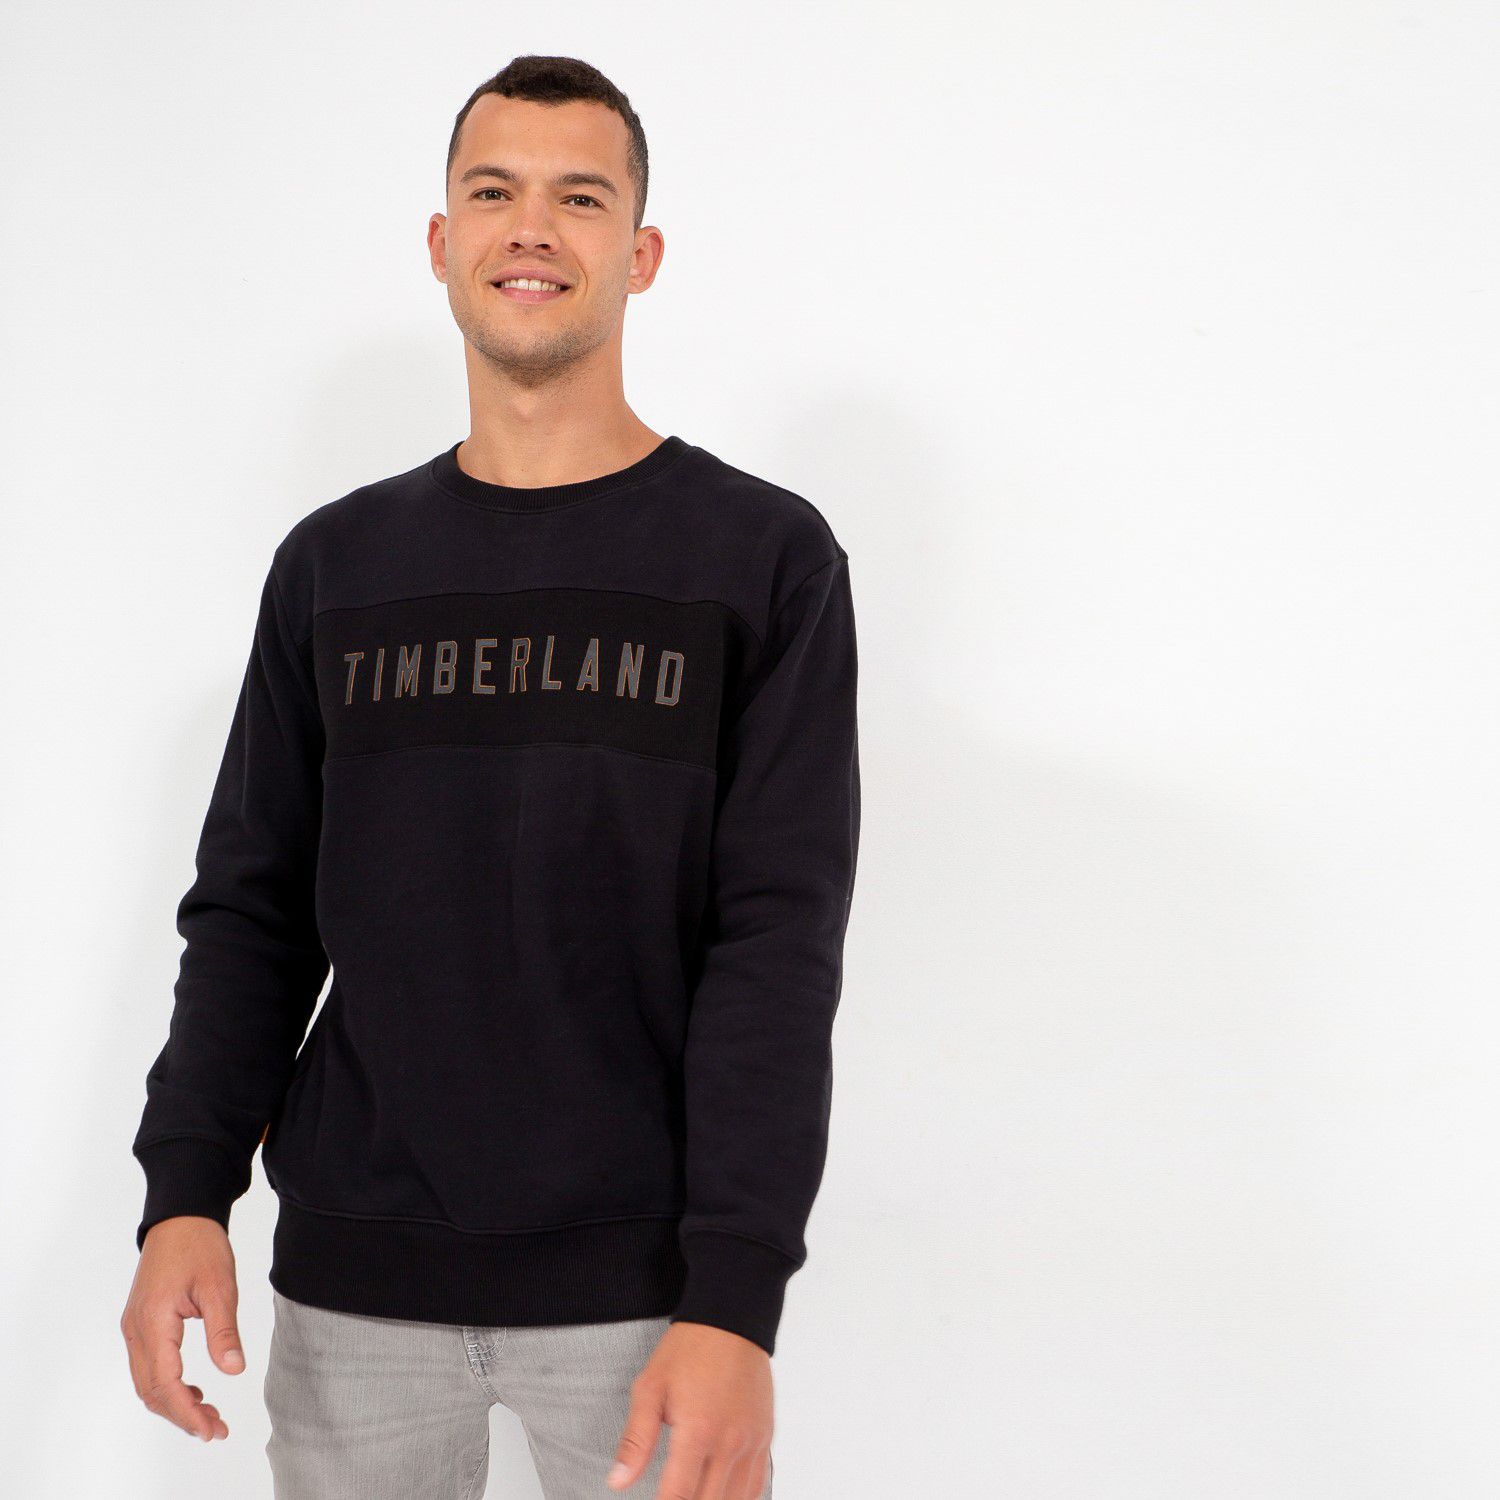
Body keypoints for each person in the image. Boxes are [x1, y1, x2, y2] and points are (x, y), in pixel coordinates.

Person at [120, 53, 860, 1500]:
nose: (533, 228)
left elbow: (777, 944)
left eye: (580, 198)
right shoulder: (334, 567)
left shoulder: (762, 560)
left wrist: (734, 1300)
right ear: (442, 240)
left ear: (641, 254)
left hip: (647, 1300)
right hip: (353, 1292)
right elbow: (253, 910)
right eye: (494, 192)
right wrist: (183, 1194)